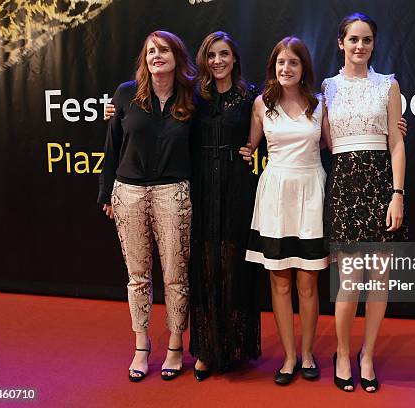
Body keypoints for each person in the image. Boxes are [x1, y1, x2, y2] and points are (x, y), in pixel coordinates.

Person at [97, 30, 195, 382]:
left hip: (174, 194)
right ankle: (141, 346)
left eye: (164, 50)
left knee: (175, 276)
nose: (156, 55)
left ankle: (174, 346)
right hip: (129, 193)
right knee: (138, 277)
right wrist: (106, 192)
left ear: (176, 56)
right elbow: (112, 146)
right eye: (150, 51)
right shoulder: (126, 94)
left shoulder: (192, 97)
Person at [322, 12, 407, 393]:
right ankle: (343, 353)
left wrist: (397, 195)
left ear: (374, 44)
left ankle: (367, 354)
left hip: (380, 188)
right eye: (353, 39)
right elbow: (323, 141)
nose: (360, 46)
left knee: (379, 281)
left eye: (367, 40)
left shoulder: (388, 85)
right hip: (344, 186)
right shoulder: (326, 88)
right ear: (341, 43)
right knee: (350, 281)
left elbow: (397, 143)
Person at [240, 36, 326, 385]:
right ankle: (289, 358)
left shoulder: (321, 104)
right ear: (273, 68)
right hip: (274, 195)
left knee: (308, 284)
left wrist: (391, 131)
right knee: (279, 283)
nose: (286, 68)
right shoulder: (262, 104)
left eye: (293, 62)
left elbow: (337, 144)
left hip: (311, 195)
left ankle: (307, 355)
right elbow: (248, 145)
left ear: (303, 67)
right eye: (280, 63)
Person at [188, 31, 261, 380]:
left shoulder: (251, 96)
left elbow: (290, 116)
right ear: (204, 60)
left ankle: (236, 346)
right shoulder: (193, 97)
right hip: (201, 187)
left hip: (236, 187)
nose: (218, 61)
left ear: (234, 59)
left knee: (233, 264)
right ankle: (205, 350)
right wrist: (113, 108)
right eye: (212, 55)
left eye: (224, 54)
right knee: (205, 266)